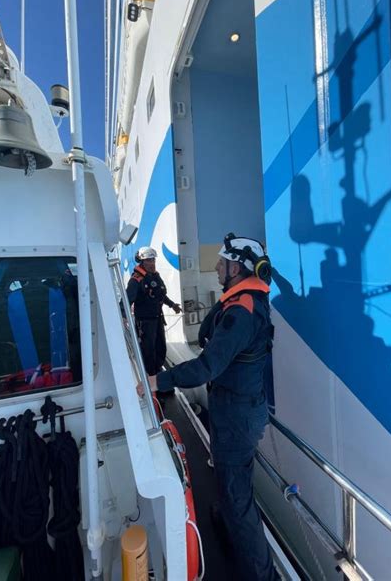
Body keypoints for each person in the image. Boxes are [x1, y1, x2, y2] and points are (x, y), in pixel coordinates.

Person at [137, 234, 278, 580]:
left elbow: (206, 367)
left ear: (237, 267)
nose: (215, 266)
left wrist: (157, 381)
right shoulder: (242, 302)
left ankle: (264, 575)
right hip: (235, 410)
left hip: (236, 417)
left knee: (238, 501)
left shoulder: (242, 312)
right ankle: (230, 522)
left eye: (222, 262)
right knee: (233, 490)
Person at [125, 246, 181, 378]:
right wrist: (123, 317)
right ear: (142, 262)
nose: (152, 263)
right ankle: (150, 377)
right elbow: (126, 301)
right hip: (145, 322)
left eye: (153, 260)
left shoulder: (155, 276)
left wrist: (172, 305)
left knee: (160, 347)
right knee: (148, 350)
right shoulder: (136, 280)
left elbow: (160, 295)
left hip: (158, 319)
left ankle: (158, 371)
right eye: (148, 261)